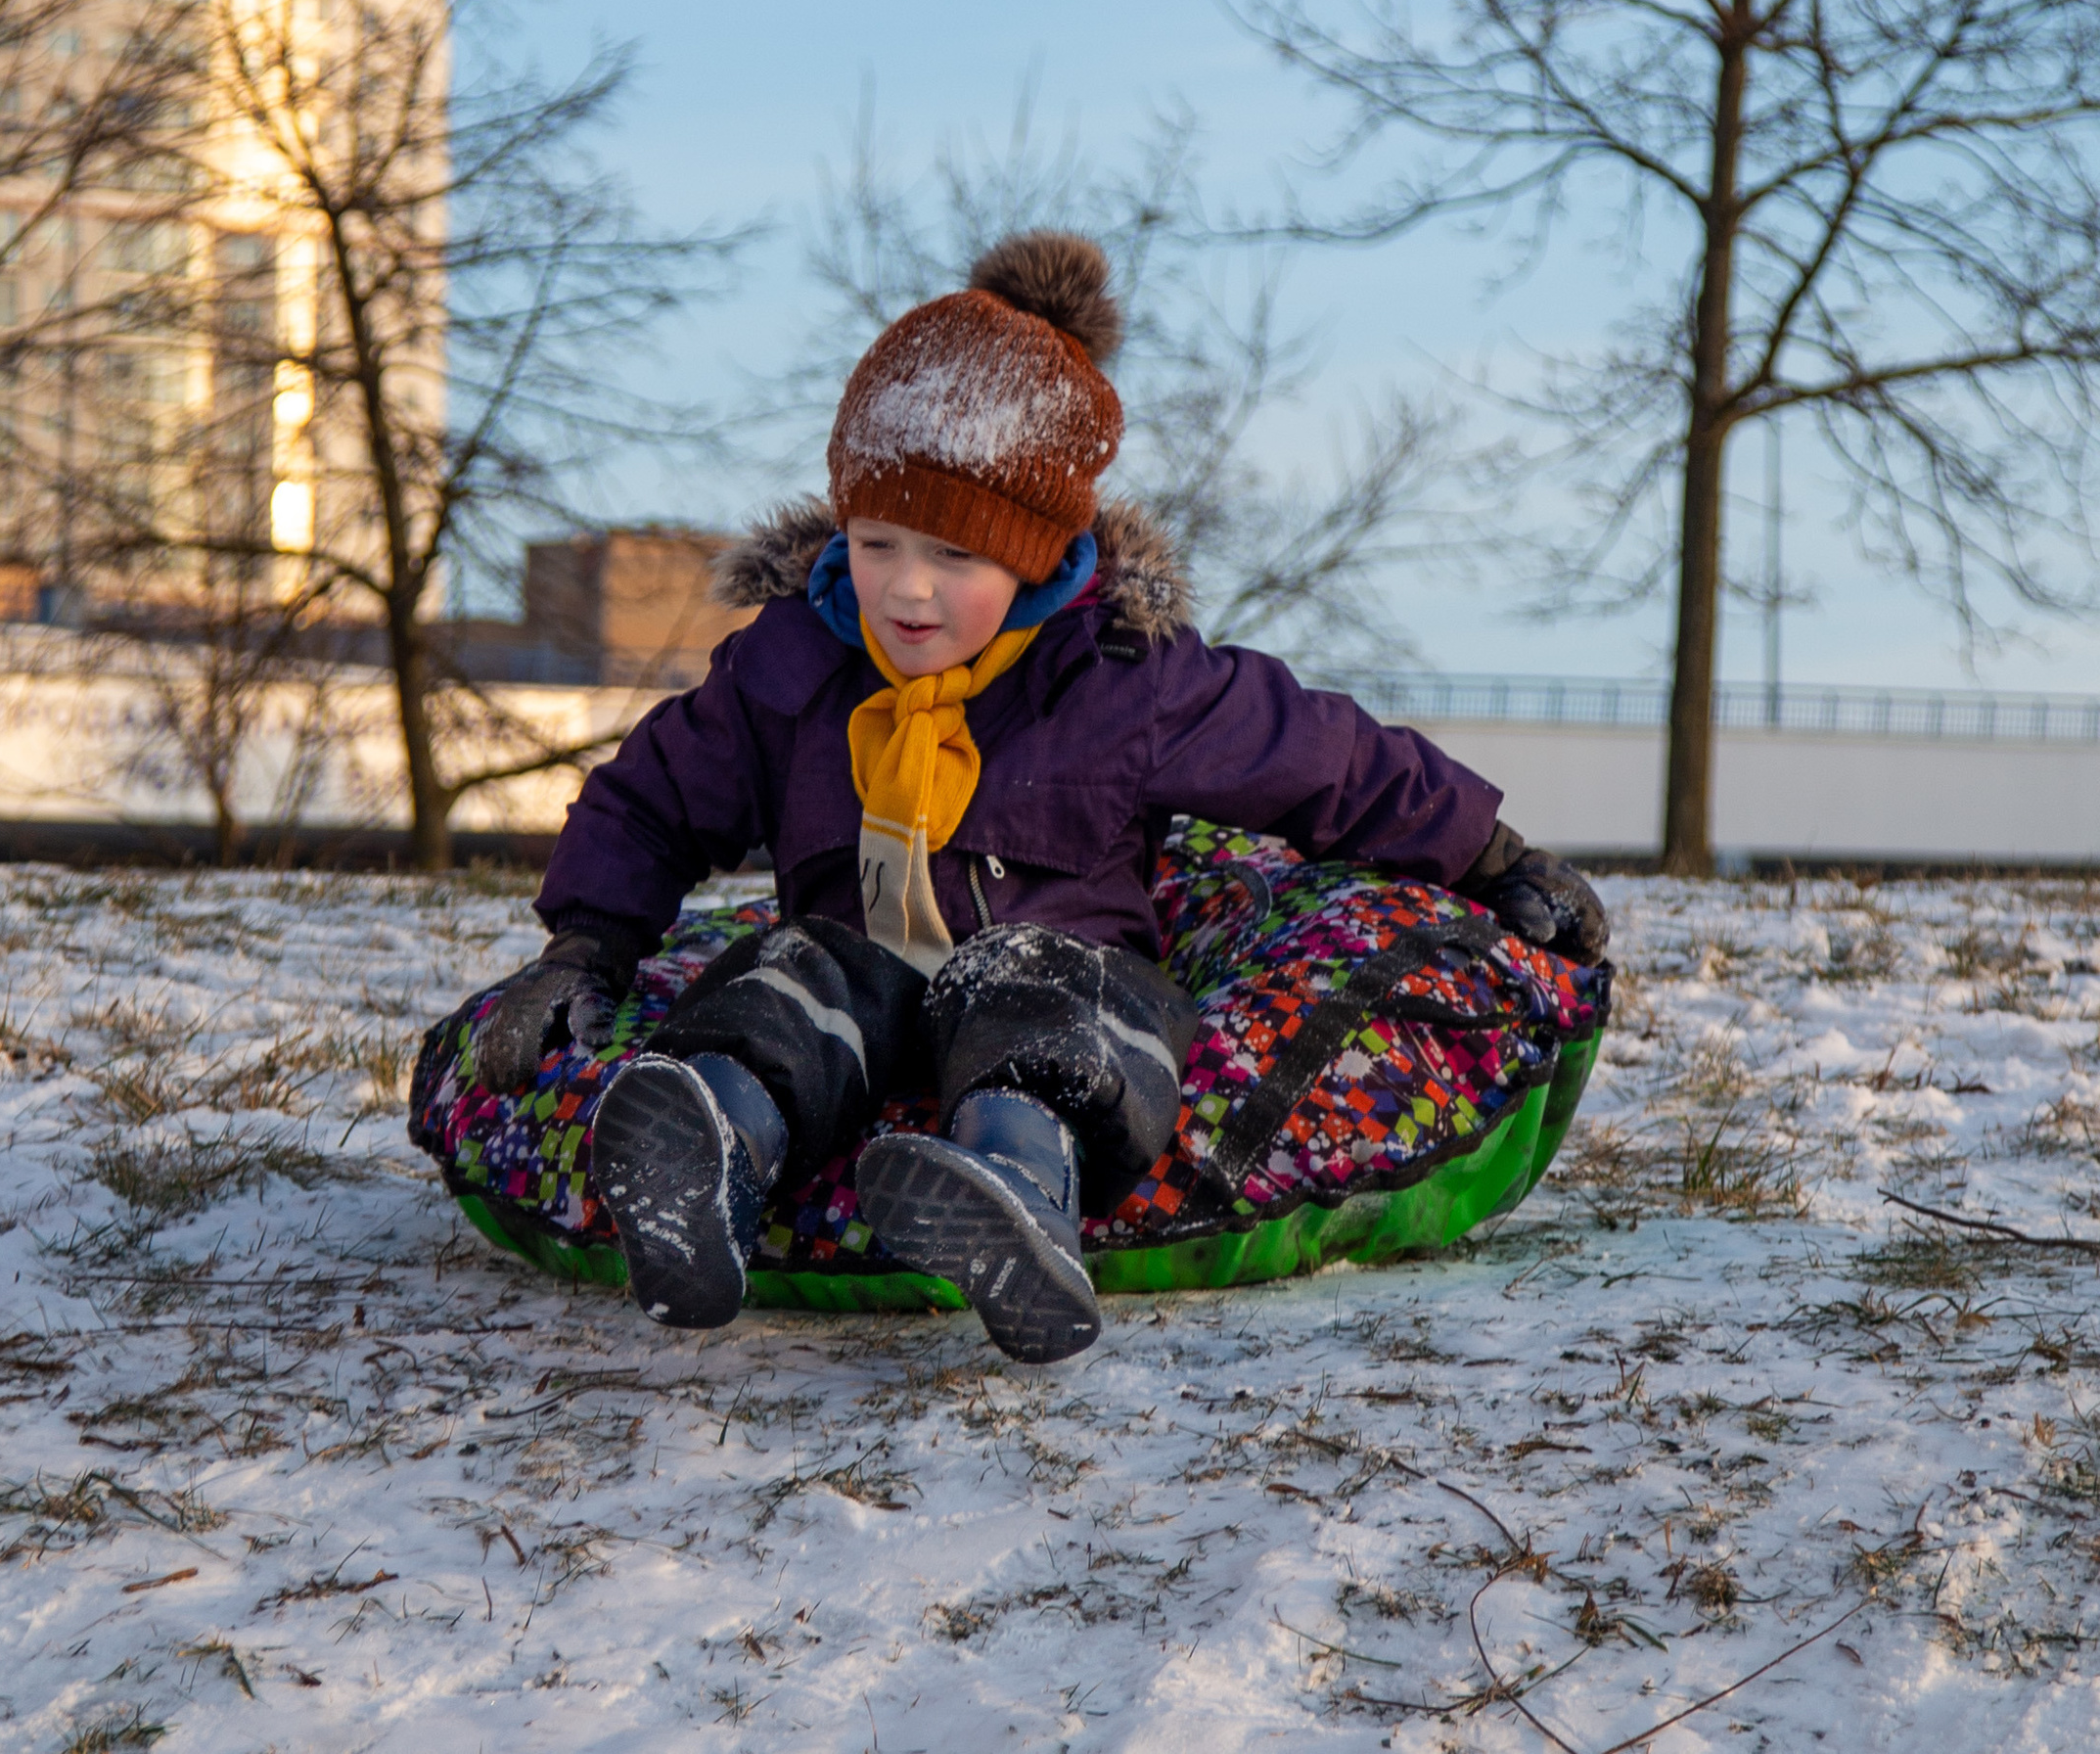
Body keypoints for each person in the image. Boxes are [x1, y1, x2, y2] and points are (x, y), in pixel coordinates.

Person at [473, 232, 1603, 1363]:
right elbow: (651, 797)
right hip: (857, 980)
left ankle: (1010, 1190)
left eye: (955, 557)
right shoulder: (789, 668)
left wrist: (1490, 855)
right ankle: (704, 1157)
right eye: (876, 542)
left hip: (1057, 972)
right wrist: (585, 945)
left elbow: (1319, 756)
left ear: (1032, 556)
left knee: (1045, 1013)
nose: (907, 588)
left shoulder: (1120, 677)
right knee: (782, 983)